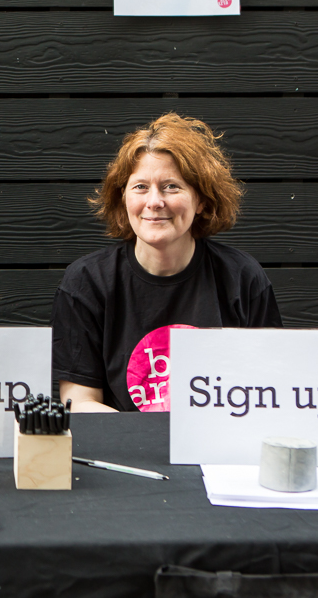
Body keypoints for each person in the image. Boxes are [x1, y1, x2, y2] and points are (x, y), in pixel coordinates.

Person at [52, 113, 282, 413]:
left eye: (172, 186)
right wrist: (152, 441)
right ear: (123, 197)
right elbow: (79, 401)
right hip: (125, 453)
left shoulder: (242, 278)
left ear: (201, 200)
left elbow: (271, 392)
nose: (154, 201)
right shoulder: (86, 282)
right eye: (140, 187)